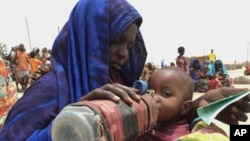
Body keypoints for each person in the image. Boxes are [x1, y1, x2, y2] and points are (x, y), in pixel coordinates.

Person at [0, 0, 250, 140]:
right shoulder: (49, 91)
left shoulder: (116, 82)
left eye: (129, 45)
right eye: (114, 39)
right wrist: (71, 123)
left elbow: (143, 117)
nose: (123, 53)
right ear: (88, 36)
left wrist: (198, 107)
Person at [135, 66, 195, 140]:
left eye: (166, 94)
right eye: (150, 91)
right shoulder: (153, 123)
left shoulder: (178, 138)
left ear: (185, 107)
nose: (153, 97)